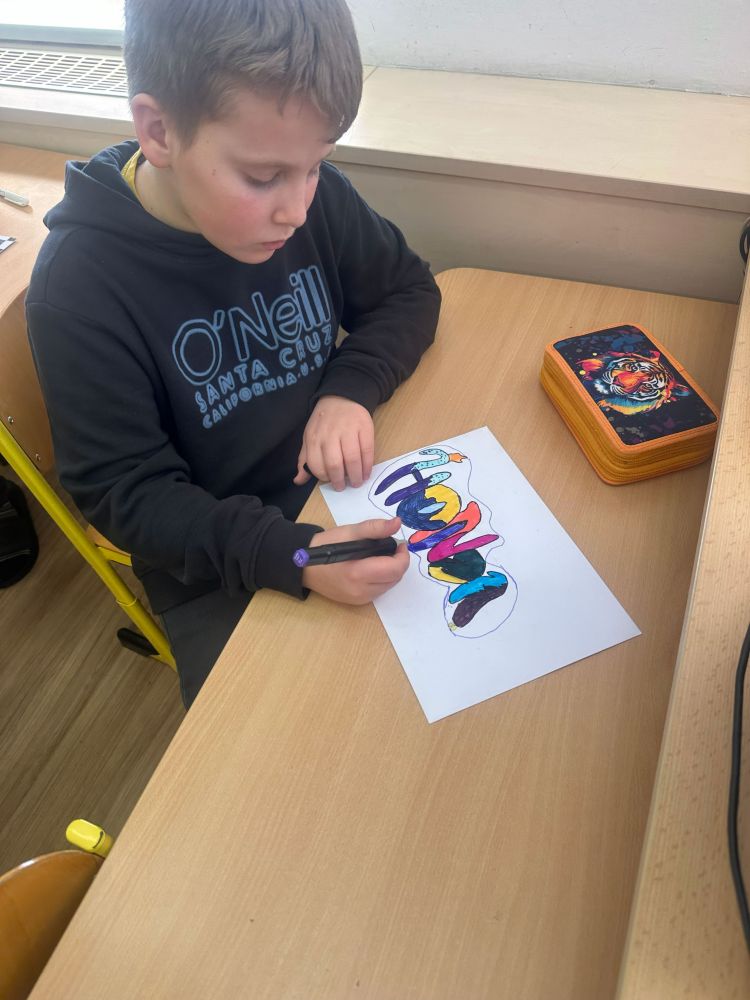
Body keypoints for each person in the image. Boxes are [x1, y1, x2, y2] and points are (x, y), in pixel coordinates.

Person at [26, 0, 441, 708]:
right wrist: (296, 555)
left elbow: (408, 291)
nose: (297, 209)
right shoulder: (79, 290)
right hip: (215, 558)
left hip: (342, 489)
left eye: (317, 167)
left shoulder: (312, 199)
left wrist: (349, 387)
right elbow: (129, 496)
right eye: (263, 177)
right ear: (160, 132)